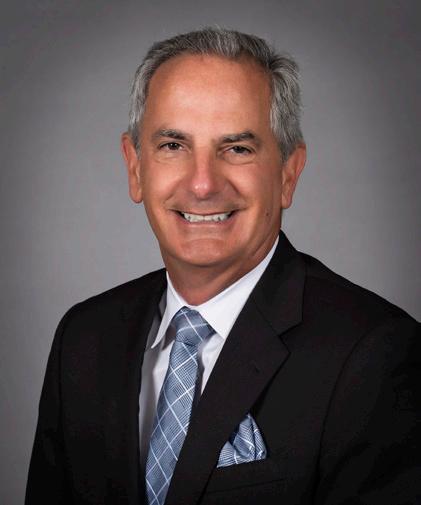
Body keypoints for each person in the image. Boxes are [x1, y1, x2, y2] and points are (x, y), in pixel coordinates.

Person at [25, 27, 420, 505]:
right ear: (135, 167)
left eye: (237, 148)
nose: (203, 184)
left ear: (288, 173)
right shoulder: (83, 338)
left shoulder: (375, 356)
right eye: (173, 145)